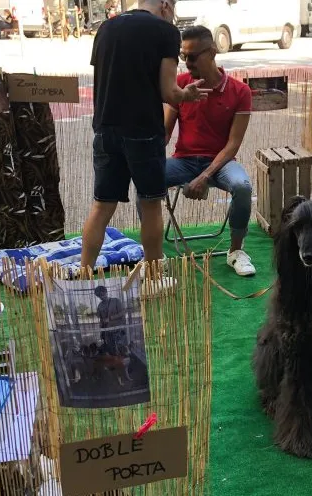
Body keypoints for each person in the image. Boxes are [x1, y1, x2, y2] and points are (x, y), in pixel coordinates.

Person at [80, 0, 210, 287]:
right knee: (151, 205)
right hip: (142, 131)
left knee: (101, 207)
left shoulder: (106, 28)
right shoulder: (165, 31)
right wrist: (186, 95)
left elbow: (101, 81)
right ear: (165, 4)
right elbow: (169, 92)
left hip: (105, 128)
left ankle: (83, 277)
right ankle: (153, 278)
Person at [163, 26, 257, 277]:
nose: (187, 62)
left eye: (193, 56)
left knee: (242, 186)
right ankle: (155, 255)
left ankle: (236, 251)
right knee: (145, 178)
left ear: (213, 52)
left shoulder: (240, 92)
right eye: (184, 56)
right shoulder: (180, 85)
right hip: (183, 160)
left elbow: (233, 145)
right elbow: (164, 133)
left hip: (221, 162)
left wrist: (205, 176)